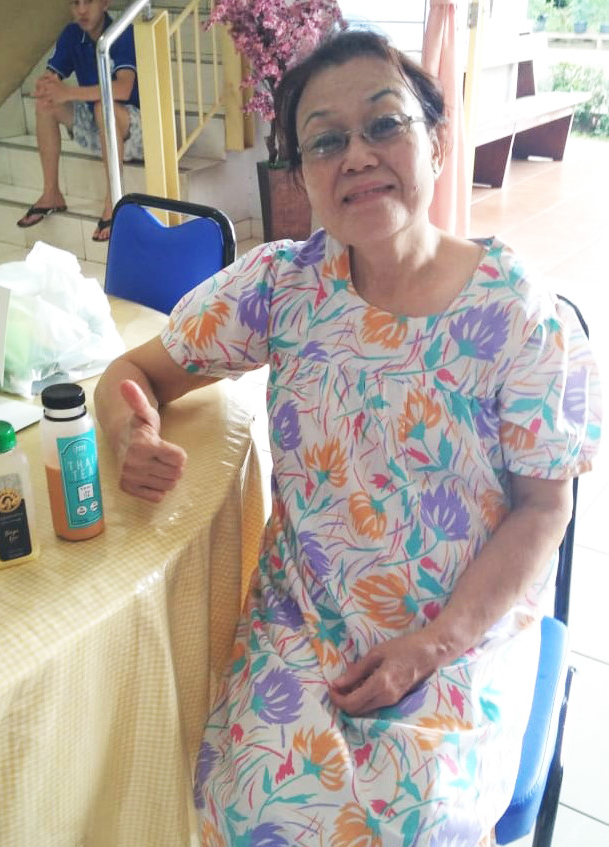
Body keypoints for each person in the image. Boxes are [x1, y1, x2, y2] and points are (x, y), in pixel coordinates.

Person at [93, 30, 601, 847]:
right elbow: (132, 371)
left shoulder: (517, 314)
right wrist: (129, 430)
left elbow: (546, 509)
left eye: (383, 124)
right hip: (306, 619)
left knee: (415, 827)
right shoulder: (282, 287)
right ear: (302, 178)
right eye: (326, 140)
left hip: (454, 634)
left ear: (435, 142)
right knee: (249, 803)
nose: (357, 155)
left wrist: (432, 645)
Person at [16, 0, 142, 242]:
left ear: (105, 3)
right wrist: (46, 87)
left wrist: (69, 92)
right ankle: (51, 193)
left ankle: (114, 200)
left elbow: (124, 89)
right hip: (100, 125)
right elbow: (52, 78)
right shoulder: (72, 34)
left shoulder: (122, 33)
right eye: (75, 3)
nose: (82, 10)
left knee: (102, 108)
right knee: (46, 105)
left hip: (136, 128)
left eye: (89, 2)